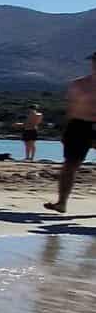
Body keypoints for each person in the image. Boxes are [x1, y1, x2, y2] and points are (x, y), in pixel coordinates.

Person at [48, 53, 96, 212]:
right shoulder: (79, 84)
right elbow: (71, 109)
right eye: (94, 61)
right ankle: (62, 202)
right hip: (79, 125)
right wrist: (66, 129)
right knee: (70, 165)